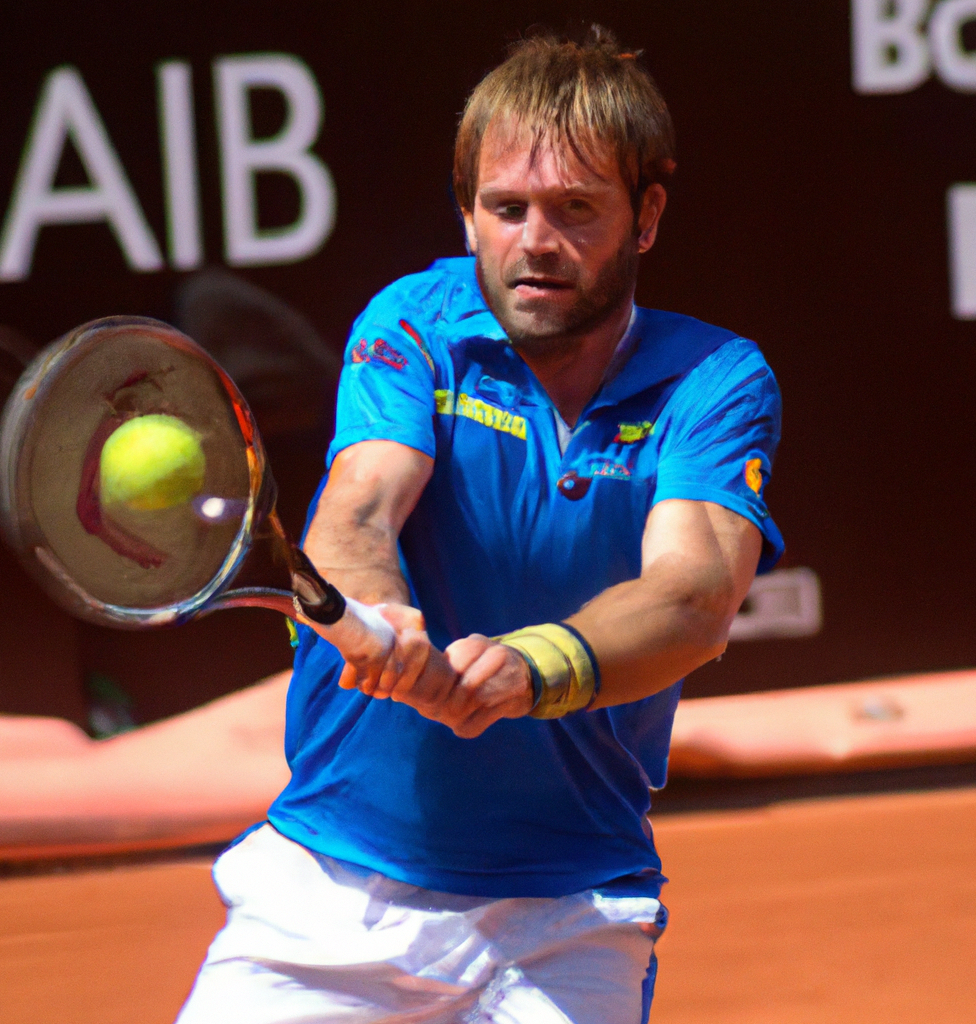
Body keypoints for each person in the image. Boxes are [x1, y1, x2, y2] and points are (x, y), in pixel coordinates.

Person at [177, 26, 782, 1024]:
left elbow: (693, 596)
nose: (535, 241)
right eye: (506, 208)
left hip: (565, 909)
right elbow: (359, 509)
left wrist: (533, 667)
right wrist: (380, 618)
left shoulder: (714, 378)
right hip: (332, 897)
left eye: (576, 210)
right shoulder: (411, 322)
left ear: (646, 217)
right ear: (468, 216)